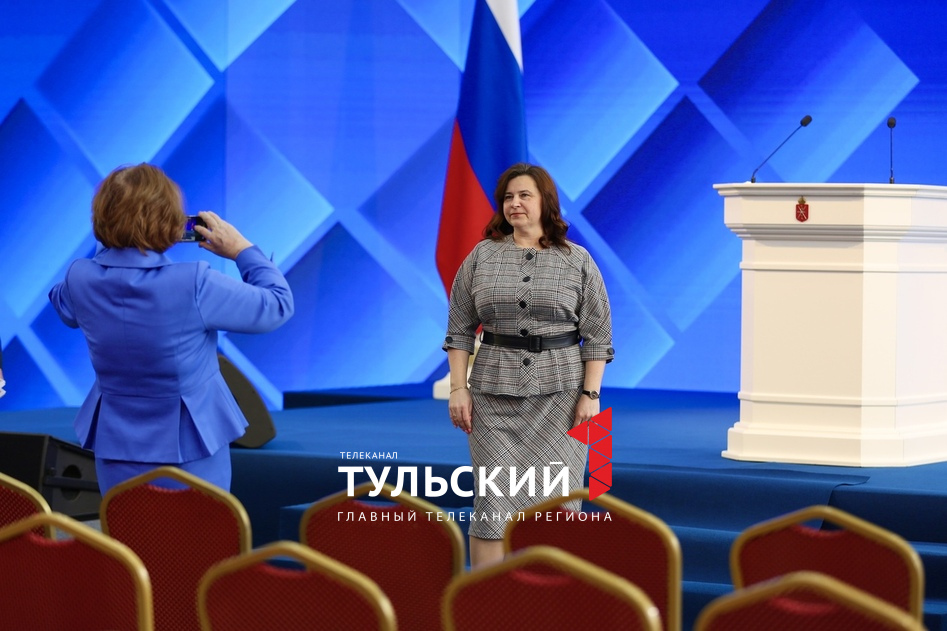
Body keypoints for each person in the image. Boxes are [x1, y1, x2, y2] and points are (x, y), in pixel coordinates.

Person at [49, 163, 294, 494]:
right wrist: (242, 250)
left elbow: (64, 307)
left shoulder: (79, 278)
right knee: (200, 530)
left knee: (124, 528)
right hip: (191, 450)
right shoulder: (194, 283)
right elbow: (278, 305)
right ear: (170, 221)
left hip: (115, 448)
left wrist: (114, 241)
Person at [443, 162, 614, 567]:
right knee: (492, 504)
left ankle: (549, 596)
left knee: (558, 503)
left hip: (562, 401)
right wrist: (458, 388)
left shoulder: (577, 260)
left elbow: (598, 336)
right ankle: (486, 596)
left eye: (524, 195)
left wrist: (591, 395)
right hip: (492, 399)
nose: (515, 203)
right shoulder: (481, 256)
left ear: (545, 203)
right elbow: (459, 330)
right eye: (508, 197)